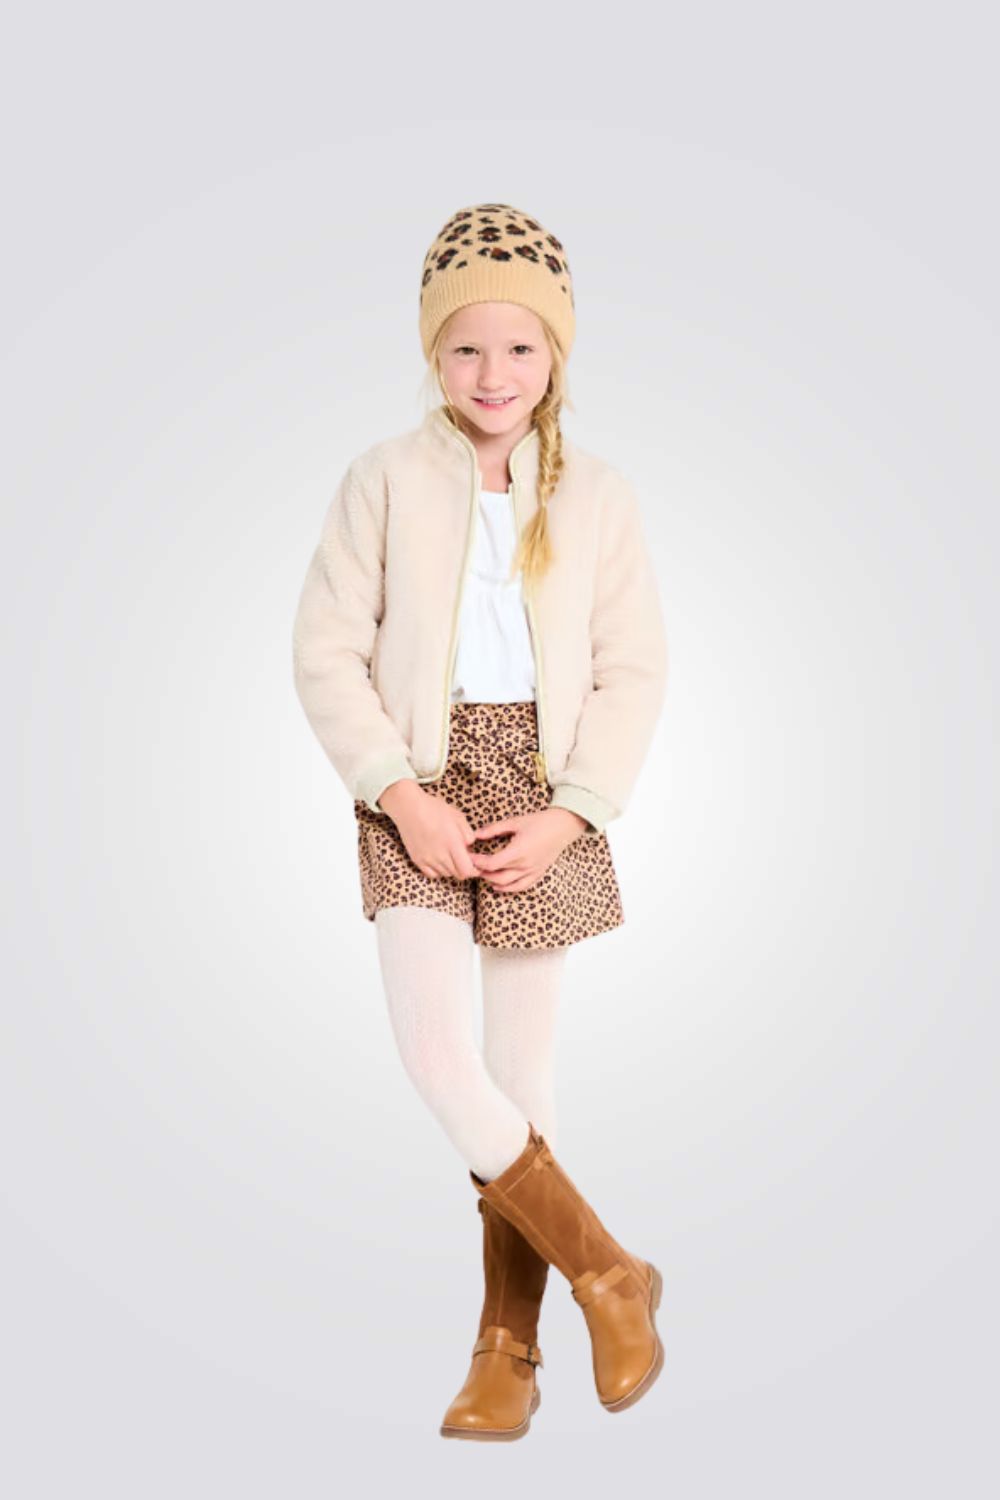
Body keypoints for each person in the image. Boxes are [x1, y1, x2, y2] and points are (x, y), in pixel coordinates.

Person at [292, 202, 669, 1441]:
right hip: (412, 780)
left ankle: (508, 1347)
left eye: (518, 347)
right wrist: (398, 792)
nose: (492, 374)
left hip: (544, 789)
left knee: (521, 1080)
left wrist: (573, 814)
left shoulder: (599, 496)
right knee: (440, 1063)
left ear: (556, 351)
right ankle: (609, 1271)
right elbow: (325, 652)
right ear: (431, 353)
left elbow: (632, 671)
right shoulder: (381, 479)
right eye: (463, 348)